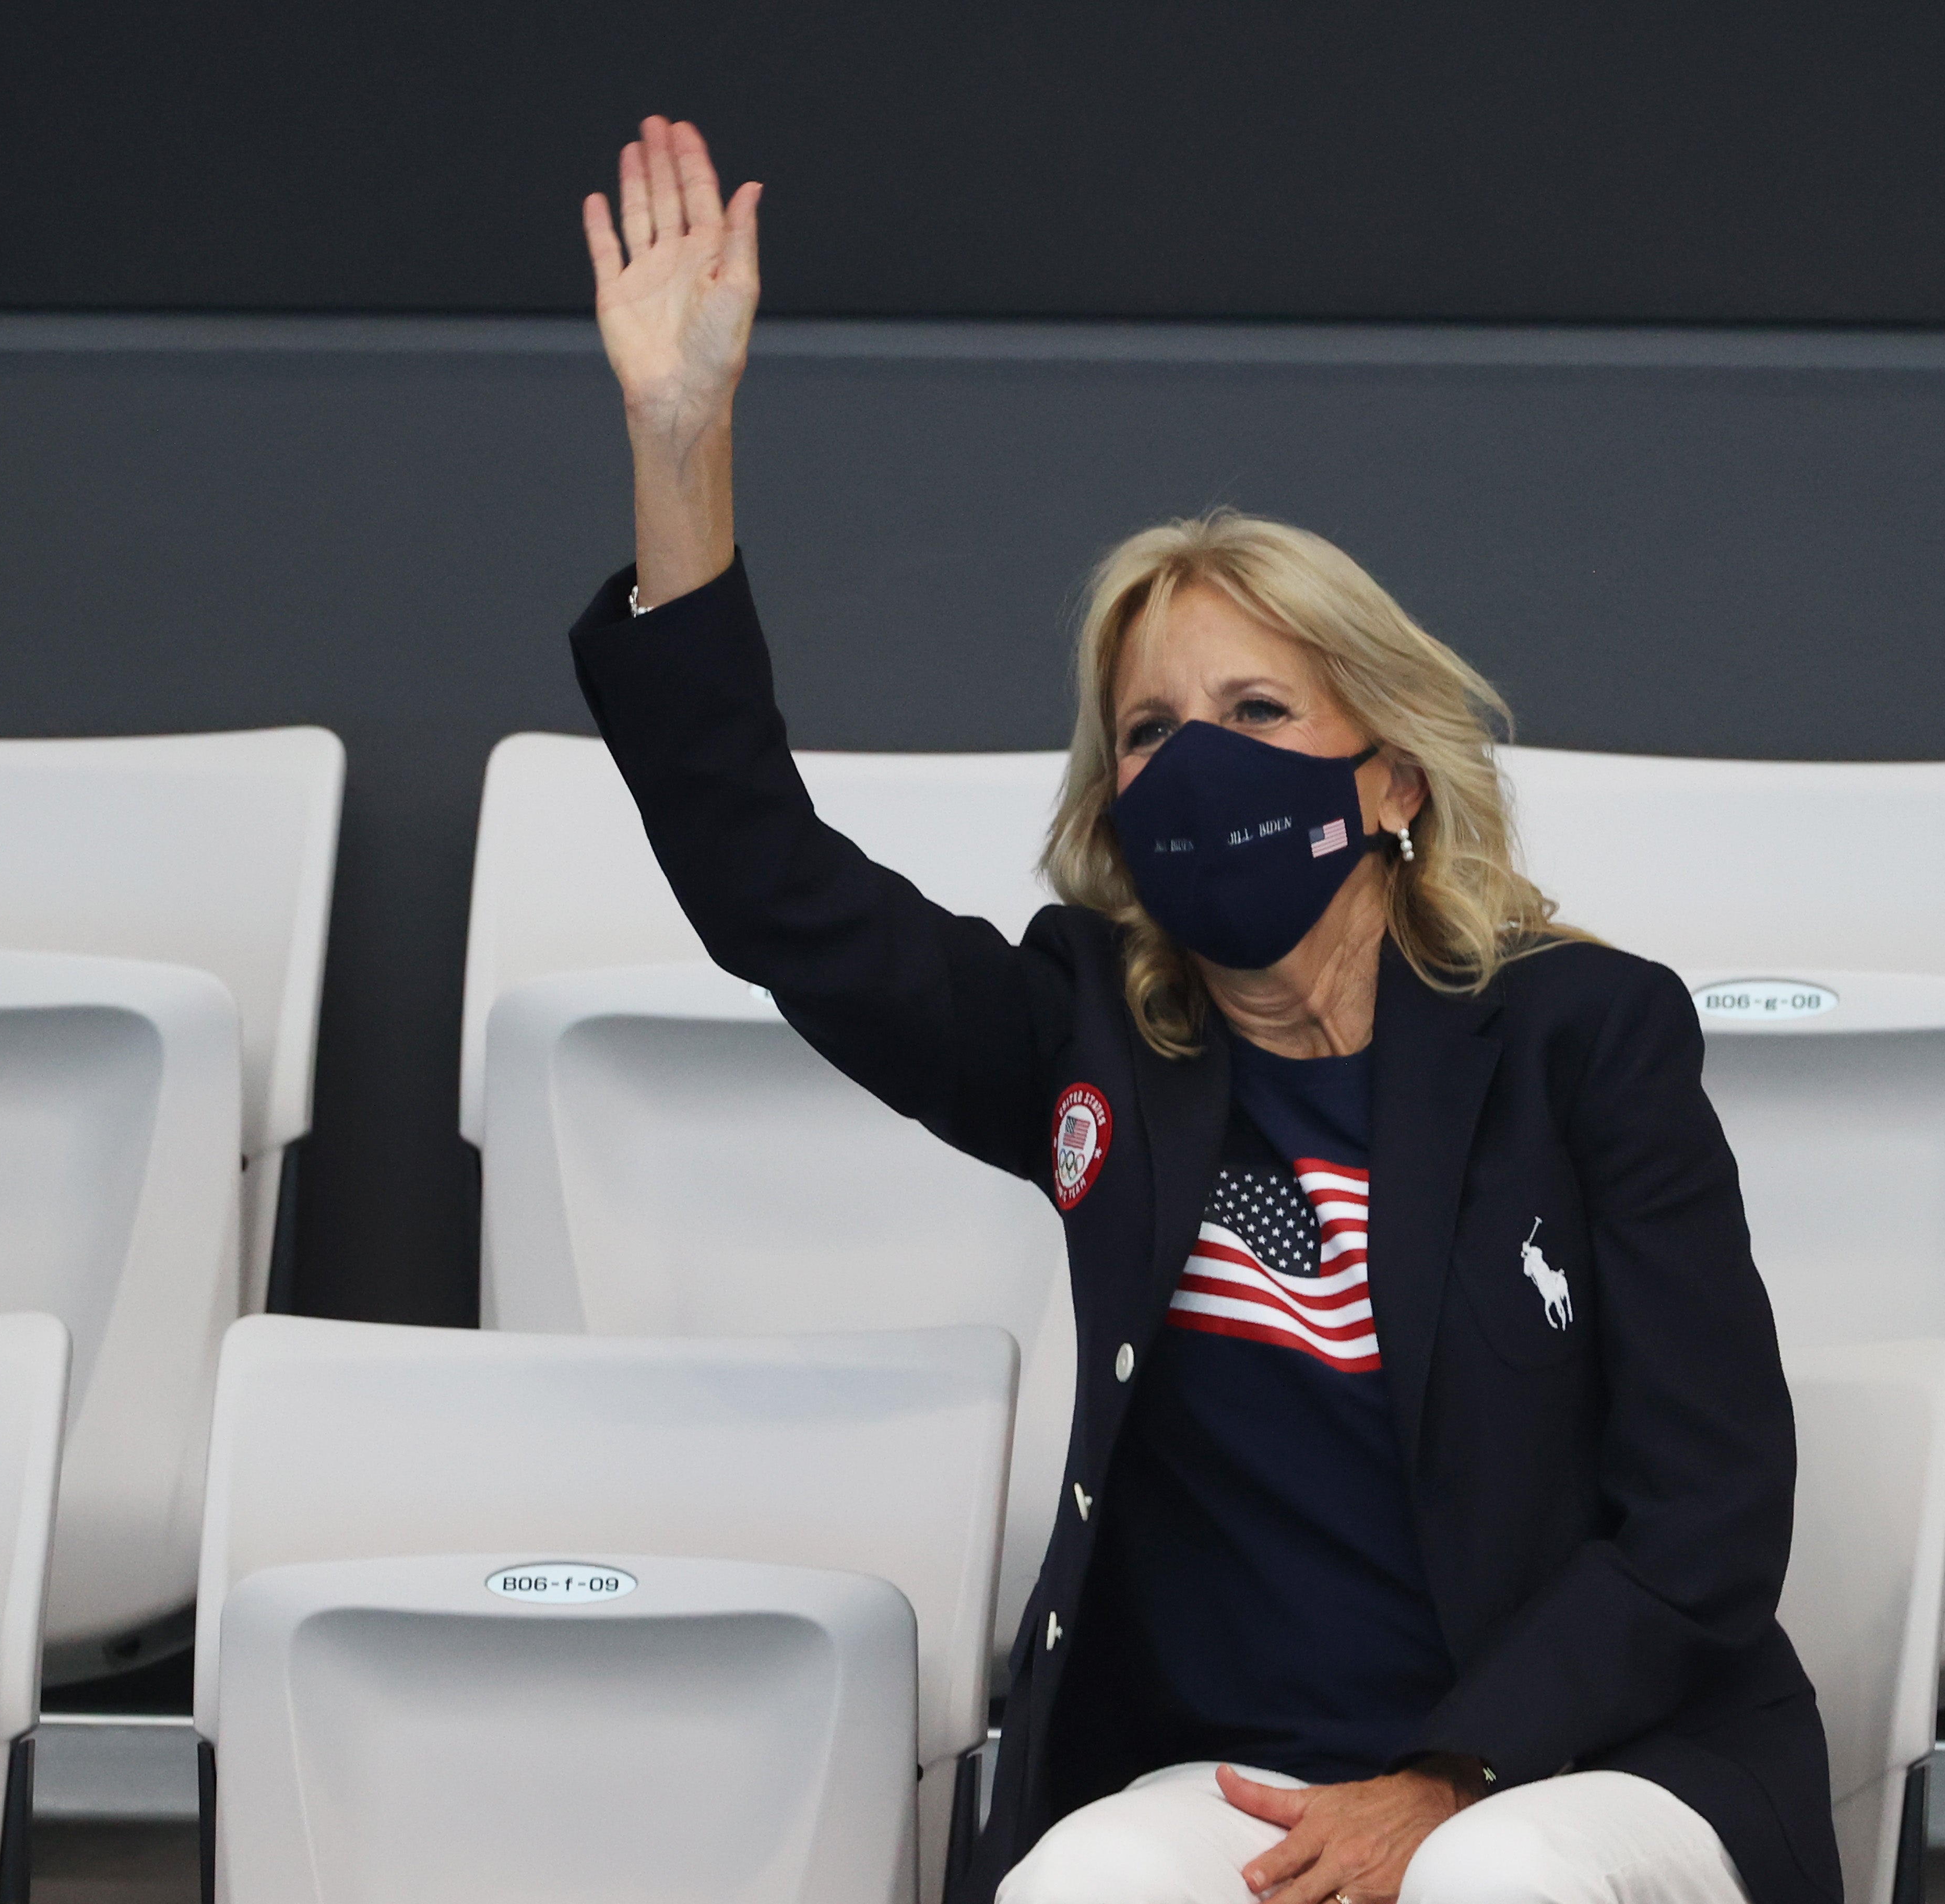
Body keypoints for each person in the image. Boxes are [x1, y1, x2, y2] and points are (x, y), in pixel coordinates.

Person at [571, 116, 1842, 1904]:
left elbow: (1710, 1520)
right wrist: (678, 434)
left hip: (1590, 1762)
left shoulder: (1585, 1039)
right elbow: (766, 880)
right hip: (1243, 1770)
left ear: (1390, 782)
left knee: (1494, 1887)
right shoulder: (1089, 1036)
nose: (1194, 768)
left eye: (1257, 713)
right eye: (1153, 734)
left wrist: (1446, 1779)